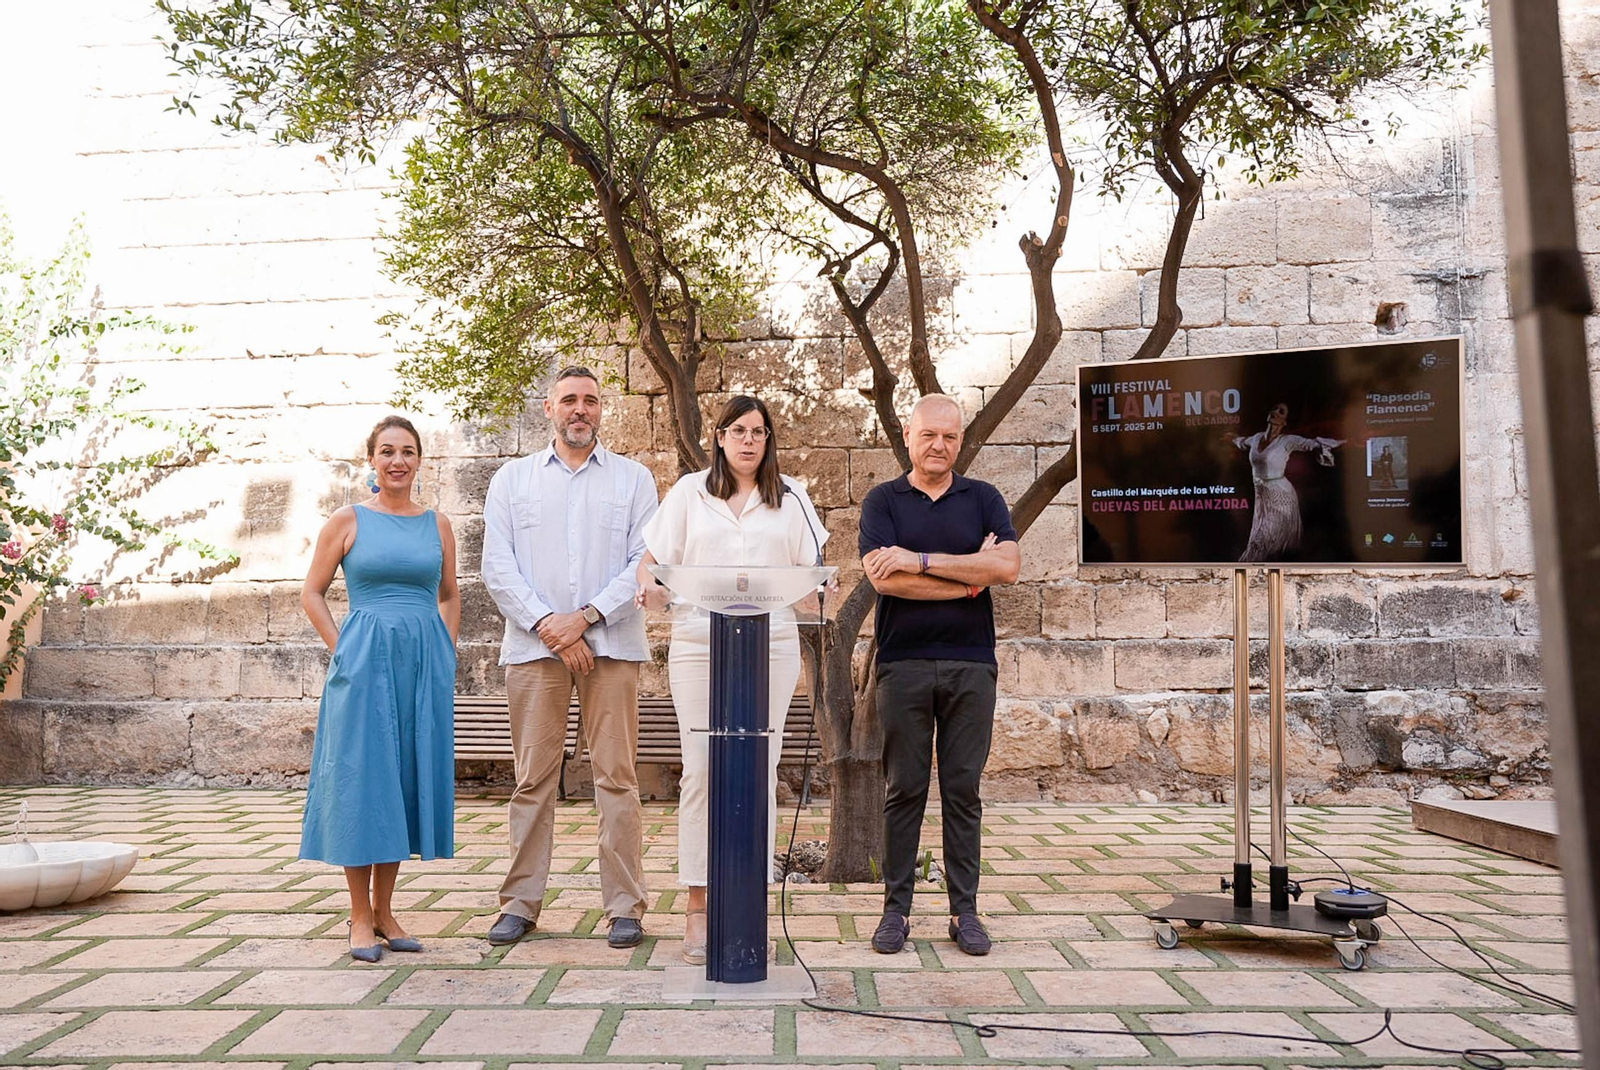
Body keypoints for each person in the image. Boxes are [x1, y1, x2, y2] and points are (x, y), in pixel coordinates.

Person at [635, 394, 827, 965]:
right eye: (738, 430)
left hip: (770, 644)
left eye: (760, 432)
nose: (749, 440)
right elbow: (651, 563)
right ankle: (699, 905)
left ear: (769, 440)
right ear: (719, 437)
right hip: (700, 642)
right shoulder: (690, 493)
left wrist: (822, 592)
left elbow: (814, 573)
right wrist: (651, 587)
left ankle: (749, 907)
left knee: (759, 771)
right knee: (701, 768)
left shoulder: (791, 497)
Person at [480, 365, 660, 950]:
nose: (580, 409)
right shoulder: (512, 480)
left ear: (602, 410)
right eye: (569, 400)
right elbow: (498, 566)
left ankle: (625, 907)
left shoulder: (634, 480)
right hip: (535, 649)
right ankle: (520, 903)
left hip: (610, 644)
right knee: (532, 778)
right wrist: (550, 626)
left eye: (590, 401)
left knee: (617, 776)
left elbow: (643, 561)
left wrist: (582, 619)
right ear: (549, 408)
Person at [858, 394, 1020, 957]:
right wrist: (970, 575)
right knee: (904, 789)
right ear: (909, 434)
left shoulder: (984, 498)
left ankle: (965, 911)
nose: (939, 446)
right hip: (902, 663)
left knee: (962, 790)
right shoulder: (884, 501)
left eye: (950, 437)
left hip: (972, 664)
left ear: (960, 440)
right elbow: (884, 581)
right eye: (930, 435)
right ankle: (895, 912)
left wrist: (921, 560)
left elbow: (1008, 566)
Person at [300, 415, 460, 962]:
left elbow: (448, 593)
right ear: (371, 459)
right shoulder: (347, 520)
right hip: (364, 663)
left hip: (421, 665)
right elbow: (313, 593)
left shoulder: (437, 523)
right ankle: (359, 916)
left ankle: (388, 910)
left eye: (408, 452)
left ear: (420, 460)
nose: (398, 461)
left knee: (402, 781)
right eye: (387, 451)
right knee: (363, 783)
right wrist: (341, 647)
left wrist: (445, 650)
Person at [1224, 402, 1345, 561]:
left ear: (1285, 422)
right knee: (1264, 543)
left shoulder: (1288, 441)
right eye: (1274, 409)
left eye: (1281, 412)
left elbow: (1313, 444)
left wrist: (1346, 441)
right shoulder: (1256, 438)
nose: (1275, 412)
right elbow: (1241, 441)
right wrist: (1230, 437)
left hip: (1280, 495)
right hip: (1262, 495)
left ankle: (1245, 574)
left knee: (1260, 542)